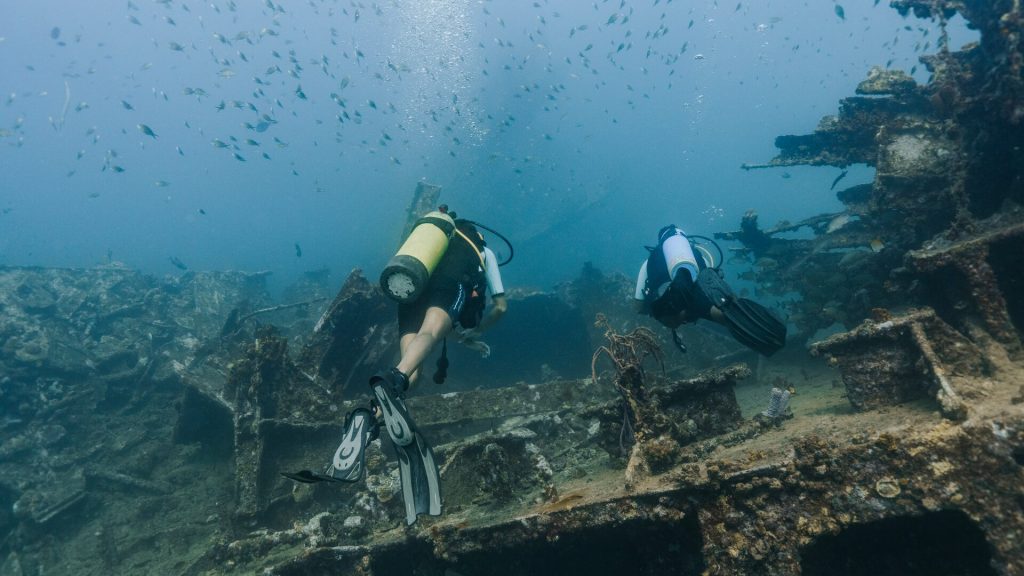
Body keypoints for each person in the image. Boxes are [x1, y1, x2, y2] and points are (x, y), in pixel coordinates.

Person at [284, 207, 507, 526]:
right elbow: (500, 306)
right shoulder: (480, 249)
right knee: (425, 341)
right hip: (449, 284)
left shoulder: (427, 246)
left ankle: (369, 418)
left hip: (411, 287)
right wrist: (476, 331)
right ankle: (394, 380)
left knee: (410, 362)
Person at [634, 224, 786, 356]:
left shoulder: (649, 262)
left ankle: (719, 313)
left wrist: (651, 307)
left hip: (669, 304)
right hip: (697, 296)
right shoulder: (693, 252)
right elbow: (708, 278)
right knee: (719, 313)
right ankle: (756, 325)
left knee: (672, 312)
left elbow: (639, 306)